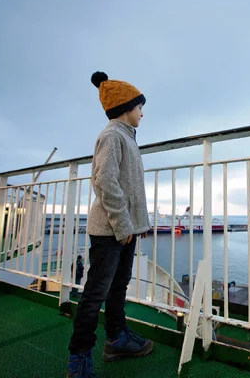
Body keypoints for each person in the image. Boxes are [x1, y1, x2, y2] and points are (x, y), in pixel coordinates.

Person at [67, 71, 153, 378]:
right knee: (95, 294)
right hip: (111, 231)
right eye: (139, 106)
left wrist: (129, 227)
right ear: (125, 108)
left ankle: (116, 339)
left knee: (118, 287)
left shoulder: (126, 137)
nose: (142, 112)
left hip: (124, 230)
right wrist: (122, 225)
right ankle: (79, 359)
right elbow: (104, 182)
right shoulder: (112, 136)